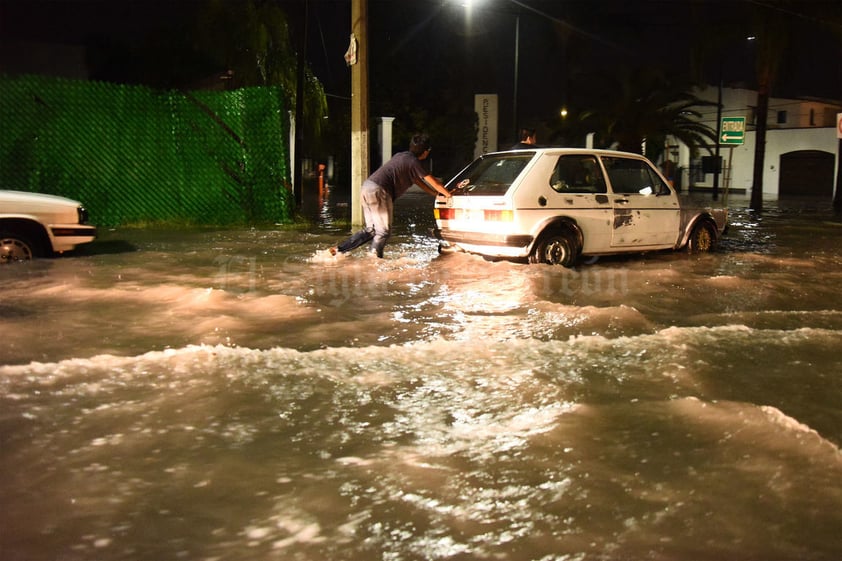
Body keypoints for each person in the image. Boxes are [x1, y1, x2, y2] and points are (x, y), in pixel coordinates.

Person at [330, 133, 451, 258]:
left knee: (371, 230)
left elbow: (418, 181)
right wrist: (448, 195)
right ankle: (374, 261)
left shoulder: (401, 156)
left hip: (367, 187)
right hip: (380, 191)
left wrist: (435, 194)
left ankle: (338, 250)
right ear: (426, 151)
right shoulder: (414, 162)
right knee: (383, 231)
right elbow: (433, 182)